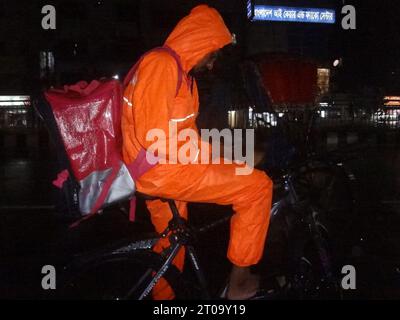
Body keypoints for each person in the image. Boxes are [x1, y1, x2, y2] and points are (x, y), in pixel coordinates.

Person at [121, 4, 273, 300]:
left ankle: (162, 299)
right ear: (200, 41)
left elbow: (185, 137)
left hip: (158, 169)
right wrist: (233, 155)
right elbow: (156, 139)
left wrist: (230, 154)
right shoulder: (161, 65)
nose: (212, 62)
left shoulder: (179, 74)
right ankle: (239, 283)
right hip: (161, 170)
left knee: (172, 241)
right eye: (213, 52)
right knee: (257, 188)